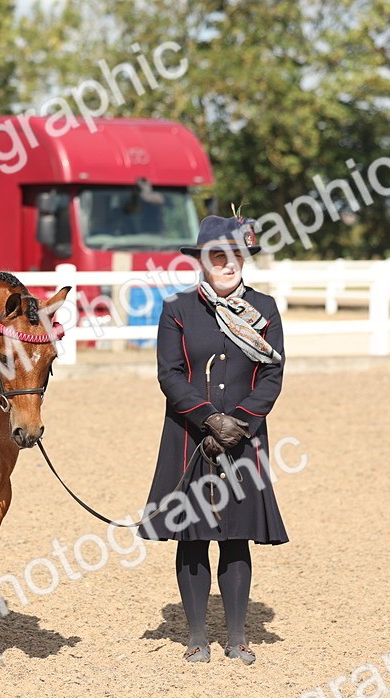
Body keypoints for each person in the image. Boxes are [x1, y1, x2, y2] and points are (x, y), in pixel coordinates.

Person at [139, 214, 288, 666]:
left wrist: (238, 422)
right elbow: (170, 374)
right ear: (202, 261)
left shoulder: (265, 308)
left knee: (236, 536)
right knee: (193, 534)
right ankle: (198, 636)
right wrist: (208, 419)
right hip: (189, 438)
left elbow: (272, 374)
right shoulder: (178, 309)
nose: (228, 264)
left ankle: (238, 636)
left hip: (244, 437)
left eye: (235, 256)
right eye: (218, 256)